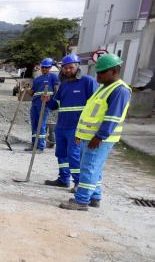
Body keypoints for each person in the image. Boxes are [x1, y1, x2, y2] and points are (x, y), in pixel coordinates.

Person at [59, 54, 131, 211]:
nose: (97, 75)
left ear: (113, 71)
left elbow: (112, 118)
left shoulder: (119, 90)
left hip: (99, 139)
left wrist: (99, 137)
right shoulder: (104, 88)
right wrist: (80, 134)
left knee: (88, 168)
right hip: (89, 136)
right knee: (94, 168)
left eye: (101, 72)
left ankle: (81, 201)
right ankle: (94, 197)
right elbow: (90, 114)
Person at [44, 54, 97, 189]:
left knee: (74, 156)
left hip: (77, 127)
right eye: (65, 68)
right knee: (61, 154)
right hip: (62, 126)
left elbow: (96, 104)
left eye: (71, 67)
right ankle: (63, 179)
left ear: (77, 66)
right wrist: (47, 100)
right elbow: (54, 106)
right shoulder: (63, 85)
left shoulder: (87, 81)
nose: (68, 70)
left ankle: (79, 183)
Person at [26, 58, 59, 151]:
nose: (44, 69)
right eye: (43, 67)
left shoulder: (53, 77)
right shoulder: (37, 79)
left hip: (45, 105)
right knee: (34, 125)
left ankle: (40, 146)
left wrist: (54, 102)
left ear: (50, 67)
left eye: (46, 67)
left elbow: (56, 91)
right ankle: (34, 144)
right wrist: (25, 88)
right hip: (35, 104)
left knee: (41, 125)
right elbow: (31, 93)